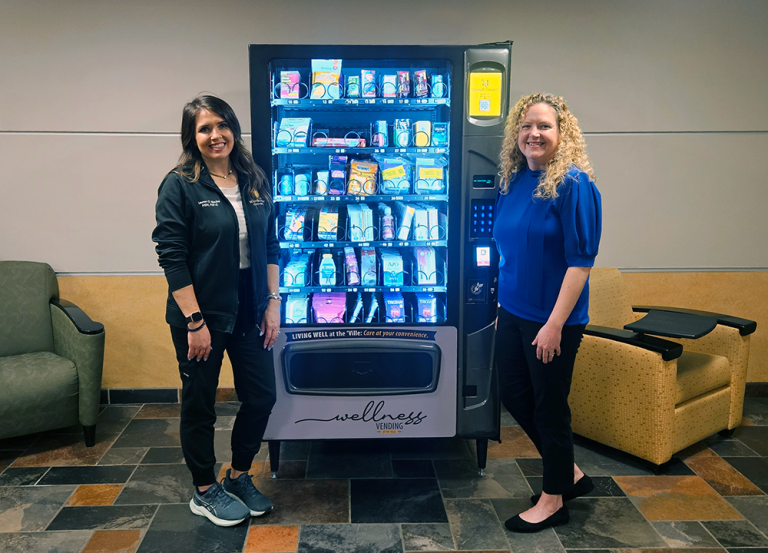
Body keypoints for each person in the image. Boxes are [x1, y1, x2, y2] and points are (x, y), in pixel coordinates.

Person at [152, 94, 280, 527]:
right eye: (204, 128)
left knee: (262, 396)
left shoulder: (254, 177)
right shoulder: (180, 184)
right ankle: (205, 490)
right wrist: (194, 321)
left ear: (233, 129)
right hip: (201, 313)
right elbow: (171, 254)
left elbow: (271, 244)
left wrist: (272, 303)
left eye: (221, 125)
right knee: (201, 403)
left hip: (250, 308)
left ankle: (239, 475)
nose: (215, 135)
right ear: (192, 136)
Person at [493, 93, 602, 533]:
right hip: (514, 311)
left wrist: (555, 324)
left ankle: (554, 498)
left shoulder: (575, 185)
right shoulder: (514, 180)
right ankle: (569, 472)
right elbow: (507, 251)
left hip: (554, 320)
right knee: (514, 395)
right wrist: (503, 306)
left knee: (549, 407)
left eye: (544, 127)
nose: (533, 134)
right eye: (526, 126)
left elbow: (581, 262)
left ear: (563, 134)